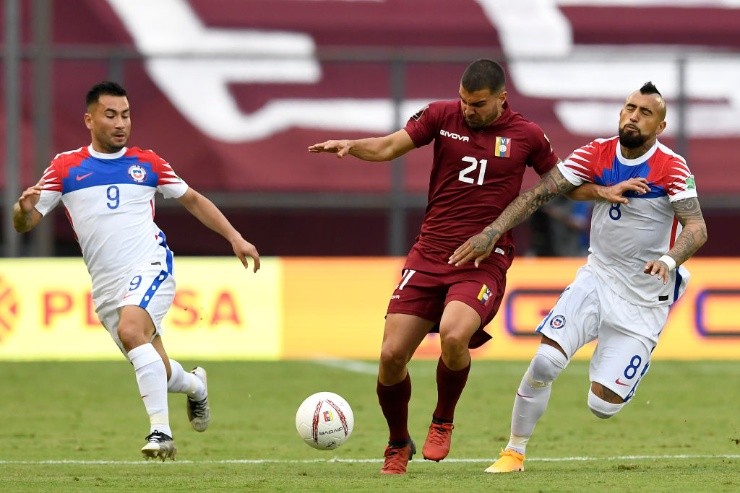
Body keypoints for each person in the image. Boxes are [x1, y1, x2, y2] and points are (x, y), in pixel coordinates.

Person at [308, 59, 560, 474]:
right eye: (463, 100)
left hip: (482, 258)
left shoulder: (528, 135)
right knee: (390, 355)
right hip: (430, 253)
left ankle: (442, 420)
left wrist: (606, 188)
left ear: (502, 99)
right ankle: (397, 443)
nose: (467, 110)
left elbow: (558, 180)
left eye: (477, 104)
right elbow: (390, 146)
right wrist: (352, 145)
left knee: (453, 335)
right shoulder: (441, 115)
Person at [449, 81, 708, 473]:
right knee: (545, 363)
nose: (634, 116)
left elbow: (696, 228)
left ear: (660, 126)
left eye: (645, 112)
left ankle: (626, 361)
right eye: (629, 108)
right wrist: (491, 232)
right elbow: (539, 194)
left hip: (644, 298)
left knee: (602, 406)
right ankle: (514, 452)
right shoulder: (596, 153)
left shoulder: (671, 166)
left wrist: (670, 261)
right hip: (598, 277)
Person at [13, 81, 260, 461]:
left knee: (132, 330)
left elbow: (193, 199)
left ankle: (160, 432)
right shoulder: (65, 167)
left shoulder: (147, 163)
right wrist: (21, 210)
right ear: (89, 119)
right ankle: (195, 386)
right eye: (110, 115)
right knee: (155, 366)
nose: (120, 123)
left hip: (151, 265)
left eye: (125, 115)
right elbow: (26, 224)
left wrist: (235, 237)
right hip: (107, 287)